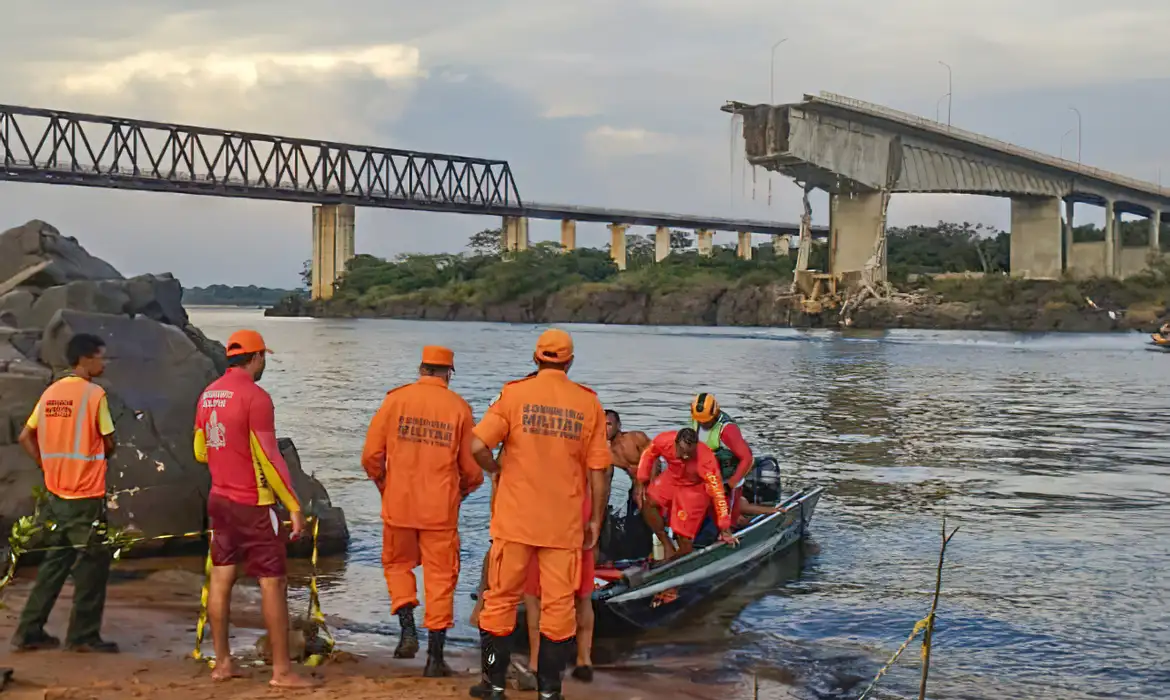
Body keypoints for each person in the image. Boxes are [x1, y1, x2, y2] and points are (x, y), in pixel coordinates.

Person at [470, 328, 610, 700]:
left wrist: (496, 470)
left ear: (535, 358)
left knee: (499, 599)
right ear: (570, 361)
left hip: (514, 521)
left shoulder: (514, 395)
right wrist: (595, 520)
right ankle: (550, 691)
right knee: (559, 607)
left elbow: (477, 445)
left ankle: (494, 684)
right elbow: (599, 472)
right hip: (563, 526)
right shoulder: (588, 403)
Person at [193, 329, 317, 688]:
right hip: (254, 503)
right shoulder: (256, 397)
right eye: (264, 357)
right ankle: (282, 671)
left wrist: (226, 456)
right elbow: (269, 455)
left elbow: (200, 450)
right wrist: (293, 506)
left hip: (219, 499)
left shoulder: (209, 394)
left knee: (221, 578)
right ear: (256, 357)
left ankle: (223, 663)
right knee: (272, 584)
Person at [360, 345, 483, 677]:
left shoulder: (394, 401)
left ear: (421, 368)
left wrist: (387, 487)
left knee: (398, 566)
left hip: (398, 505)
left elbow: (371, 456)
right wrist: (461, 492)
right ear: (449, 373)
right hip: (440, 512)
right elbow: (472, 470)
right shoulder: (459, 408)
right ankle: (435, 659)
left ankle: (407, 628)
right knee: (441, 580)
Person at [11, 333, 118, 653]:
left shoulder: (51, 393)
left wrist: (46, 464)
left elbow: (24, 436)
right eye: (101, 356)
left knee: (55, 562)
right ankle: (83, 636)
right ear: (85, 359)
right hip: (85, 494)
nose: (104, 362)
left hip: (57, 493)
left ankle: (29, 629)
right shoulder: (94, 395)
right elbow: (109, 441)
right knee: (92, 564)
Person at [635, 428, 738, 561]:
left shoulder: (706, 460)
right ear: (676, 443)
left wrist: (724, 527)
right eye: (682, 451)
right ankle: (666, 543)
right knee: (648, 500)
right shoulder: (664, 440)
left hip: (694, 487)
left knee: (683, 534)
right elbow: (649, 453)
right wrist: (642, 479)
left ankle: (676, 560)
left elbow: (718, 493)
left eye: (689, 453)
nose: (685, 456)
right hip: (673, 476)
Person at [689, 393, 754, 524]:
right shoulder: (697, 419)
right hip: (708, 477)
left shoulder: (727, 430)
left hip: (728, 478)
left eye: (706, 421)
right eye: (700, 421)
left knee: (728, 520)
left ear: (715, 413)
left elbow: (747, 459)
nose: (703, 424)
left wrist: (730, 485)